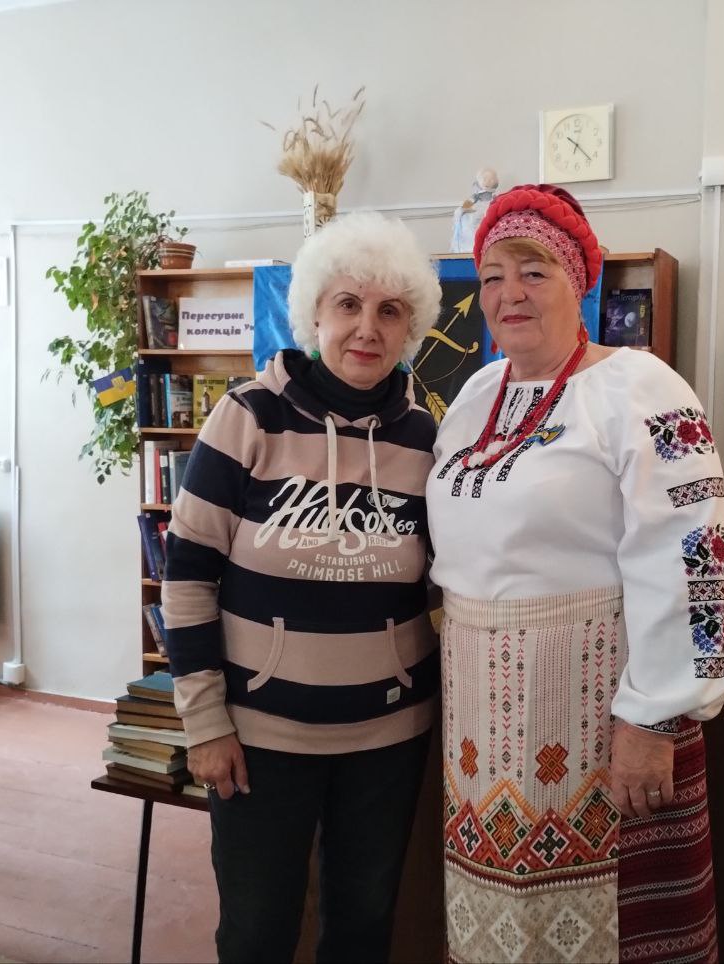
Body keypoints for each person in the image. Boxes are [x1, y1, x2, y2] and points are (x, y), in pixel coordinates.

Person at [427, 184, 724, 963]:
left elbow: (698, 558)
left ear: (579, 283)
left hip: (600, 716)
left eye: (533, 272)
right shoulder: (474, 397)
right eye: (492, 276)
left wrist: (653, 717)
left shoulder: (640, 387)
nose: (508, 293)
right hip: (481, 728)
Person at [161, 211, 443, 963]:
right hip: (260, 738)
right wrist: (205, 724)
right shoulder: (247, 417)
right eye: (348, 304)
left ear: (411, 328)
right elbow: (185, 578)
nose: (367, 329)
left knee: (362, 930)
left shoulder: (426, 441)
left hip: (388, 739)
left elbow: (446, 578)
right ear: (315, 312)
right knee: (256, 933)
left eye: (390, 311)